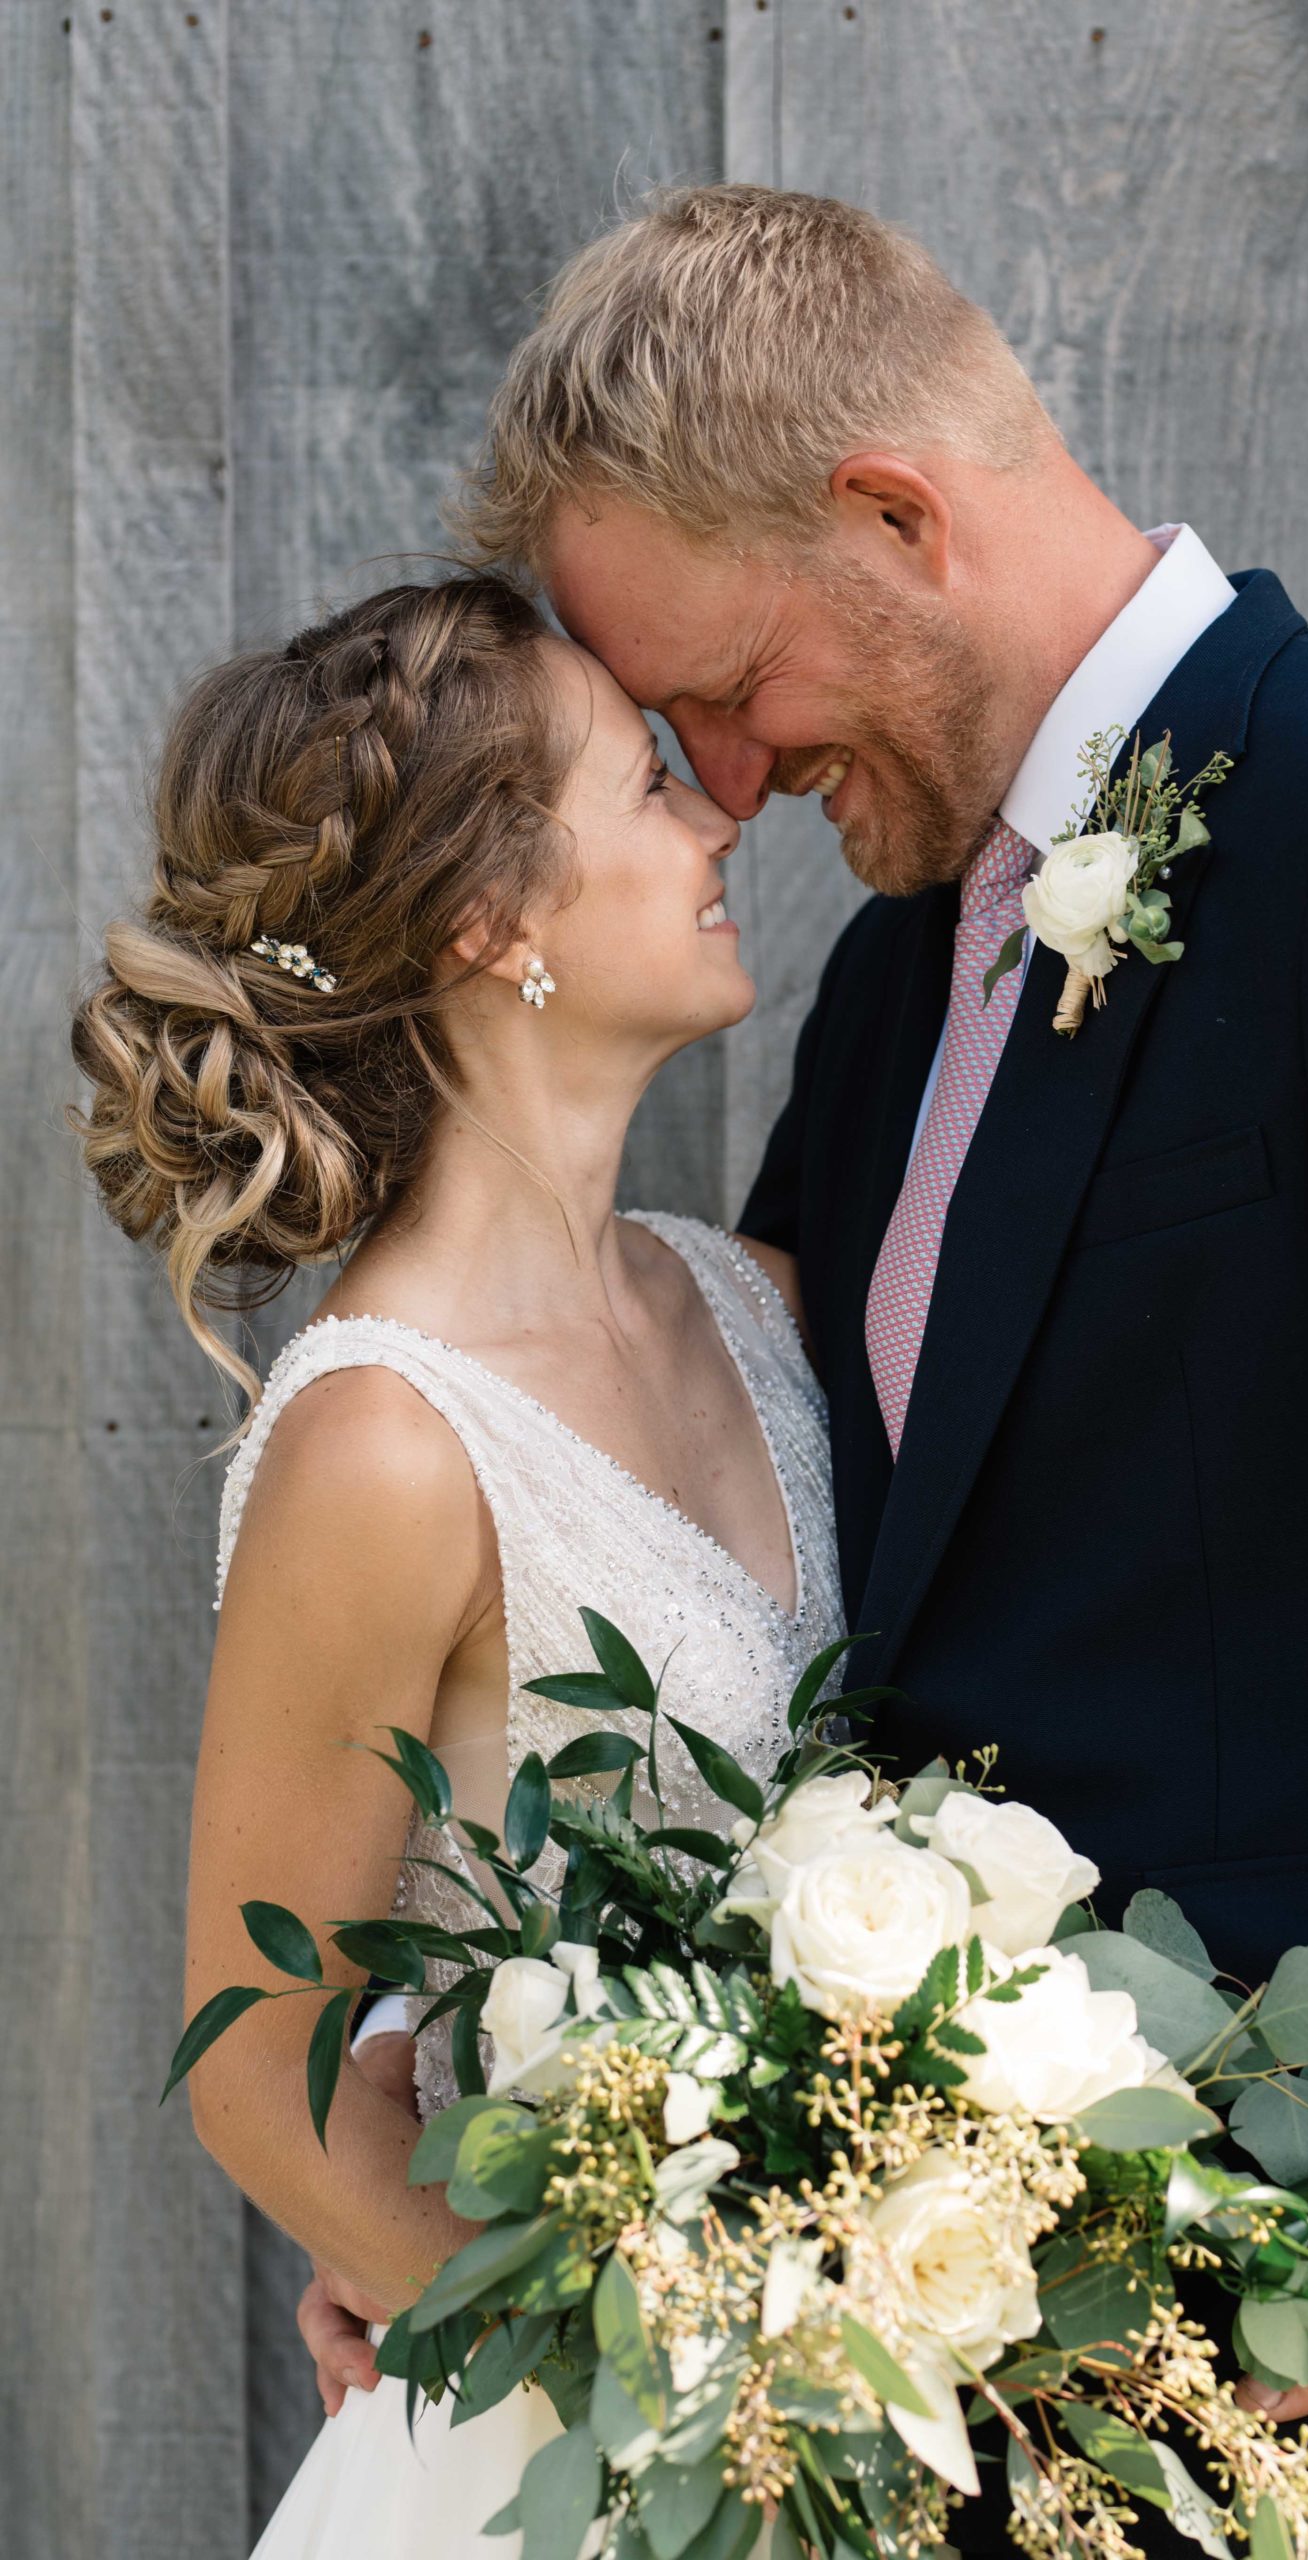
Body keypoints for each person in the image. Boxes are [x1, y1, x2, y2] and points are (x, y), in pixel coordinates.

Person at [376, 183, 1308, 2554]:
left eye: (730, 686)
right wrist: (494, 2130)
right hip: (1009, 2391)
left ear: (894, 513)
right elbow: (784, 1595)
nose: (732, 781)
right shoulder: (901, 975)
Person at [73, 573, 844, 2555]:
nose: (716, 817)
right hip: (585, 2457)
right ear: (492, 924)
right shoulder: (385, 1443)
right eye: (646, 783)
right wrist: (648, 2380)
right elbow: (264, 2067)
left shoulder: (748, 1299)